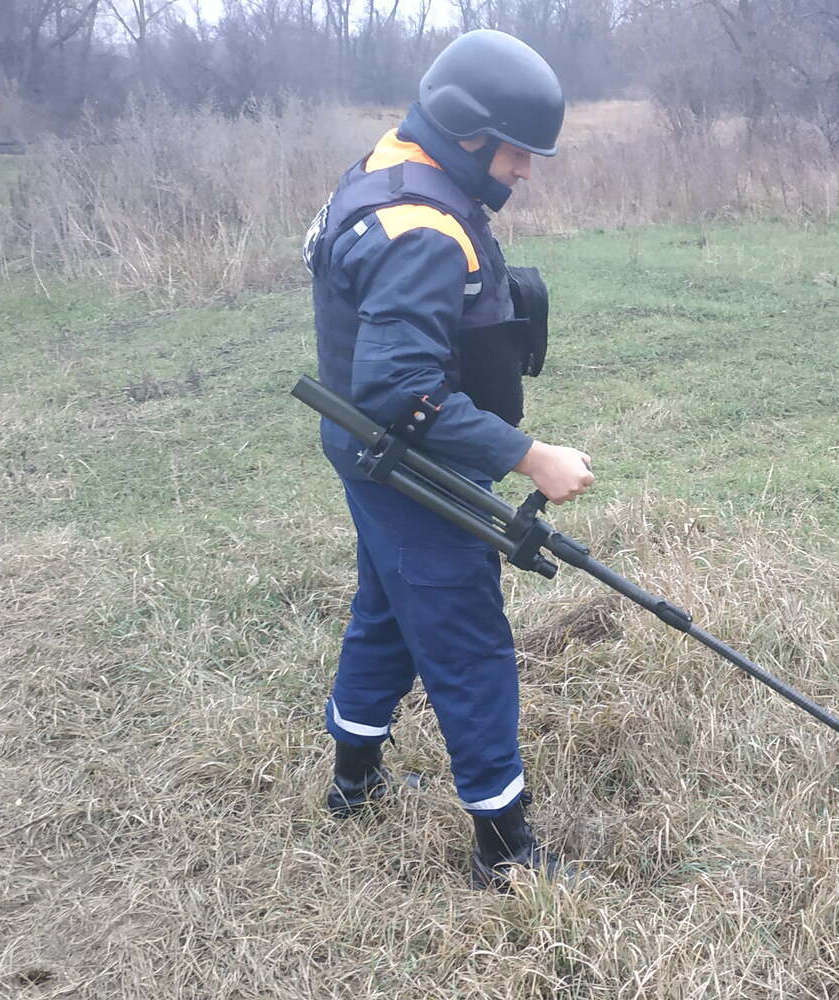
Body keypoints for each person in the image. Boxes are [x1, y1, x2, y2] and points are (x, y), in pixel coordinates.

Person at [301, 29, 594, 890]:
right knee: (468, 644)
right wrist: (529, 456)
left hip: (369, 454)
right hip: (409, 466)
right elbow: (401, 389)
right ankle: (504, 851)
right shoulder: (422, 229)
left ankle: (353, 784)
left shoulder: (386, 166)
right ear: (469, 132)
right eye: (517, 151)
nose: (525, 171)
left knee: (387, 610)